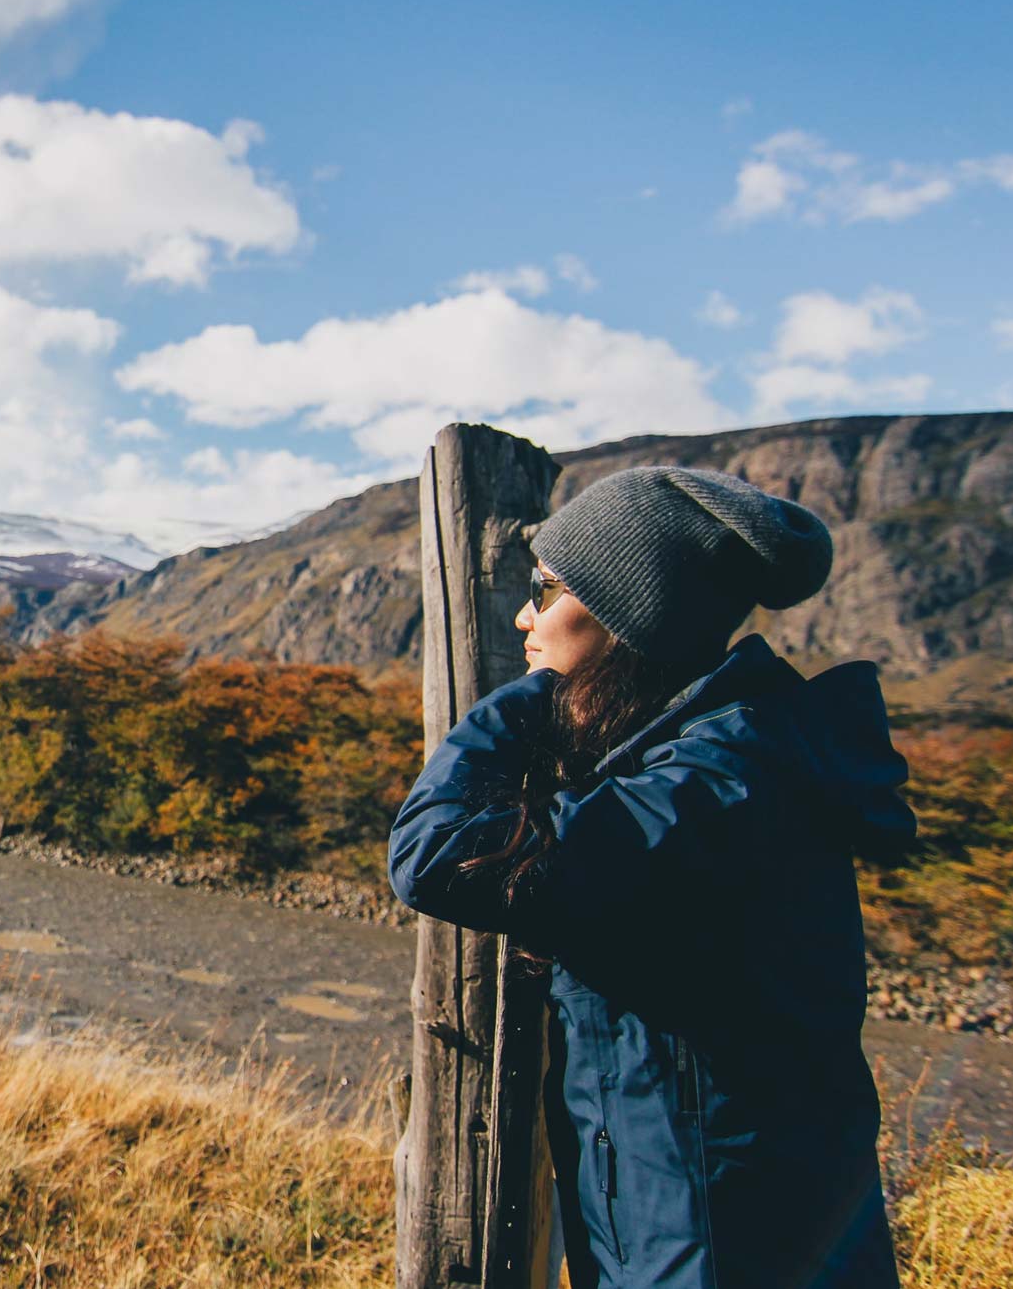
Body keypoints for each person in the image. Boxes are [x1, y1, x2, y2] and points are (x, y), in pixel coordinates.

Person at [386, 466, 912, 1289]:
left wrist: (530, 695)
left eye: (548, 588)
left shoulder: (718, 784)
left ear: (632, 615)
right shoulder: (704, 758)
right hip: (685, 1231)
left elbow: (434, 853)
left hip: (719, 1250)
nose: (525, 614)